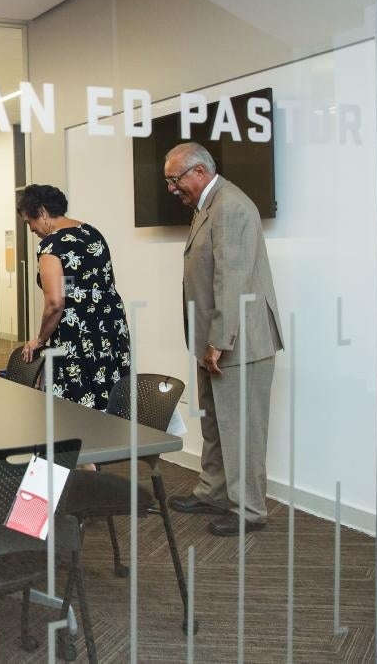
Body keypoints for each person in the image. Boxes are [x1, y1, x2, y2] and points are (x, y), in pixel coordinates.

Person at [162, 142, 283, 537]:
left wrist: (219, 340)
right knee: (215, 423)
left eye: (175, 179)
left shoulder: (230, 206)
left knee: (241, 428)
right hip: (216, 338)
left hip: (238, 342)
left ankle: (249, 510)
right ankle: (213, 491)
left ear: (198, 172)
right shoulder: (210, 205)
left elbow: (231, 281)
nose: (171, 189)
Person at [17, 183, 131, 410]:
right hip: (111, 330)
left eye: (29, 221)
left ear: (42, 212)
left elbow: (55, 303)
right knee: (111, 402)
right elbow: (102, 283)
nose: (31, 229)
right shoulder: (93, 234)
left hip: (78, 336)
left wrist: (39, 340)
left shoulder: (51, 245)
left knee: (76, 410)